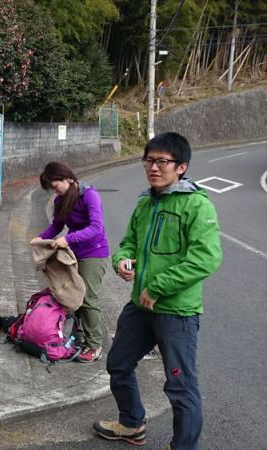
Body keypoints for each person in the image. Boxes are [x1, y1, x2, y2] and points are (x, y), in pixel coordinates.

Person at [93, 132, 222, 449]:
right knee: (118, 364)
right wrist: (122, 261)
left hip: (177, 312)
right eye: (149, 160)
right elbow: (129, 243)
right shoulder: (145, 202)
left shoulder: (196, 205)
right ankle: (132, 424)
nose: (153, 167)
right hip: (141, 306)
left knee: (181, 386)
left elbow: (206, 258)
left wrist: (158, 286)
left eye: (162, 161)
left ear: (181, 166)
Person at [30, 161, 109, 363]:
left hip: (94, 253)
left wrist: (68, 239)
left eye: (56, 186)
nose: (55, 191)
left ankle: (94, 345)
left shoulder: (88, 195)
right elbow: (56, 226)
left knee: (88, 297)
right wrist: (41, 238)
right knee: (72, 296)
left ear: (68, 178)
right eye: (52, 189)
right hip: (73, 254)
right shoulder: (60, 200)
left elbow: (96, 227)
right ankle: (80, 337)